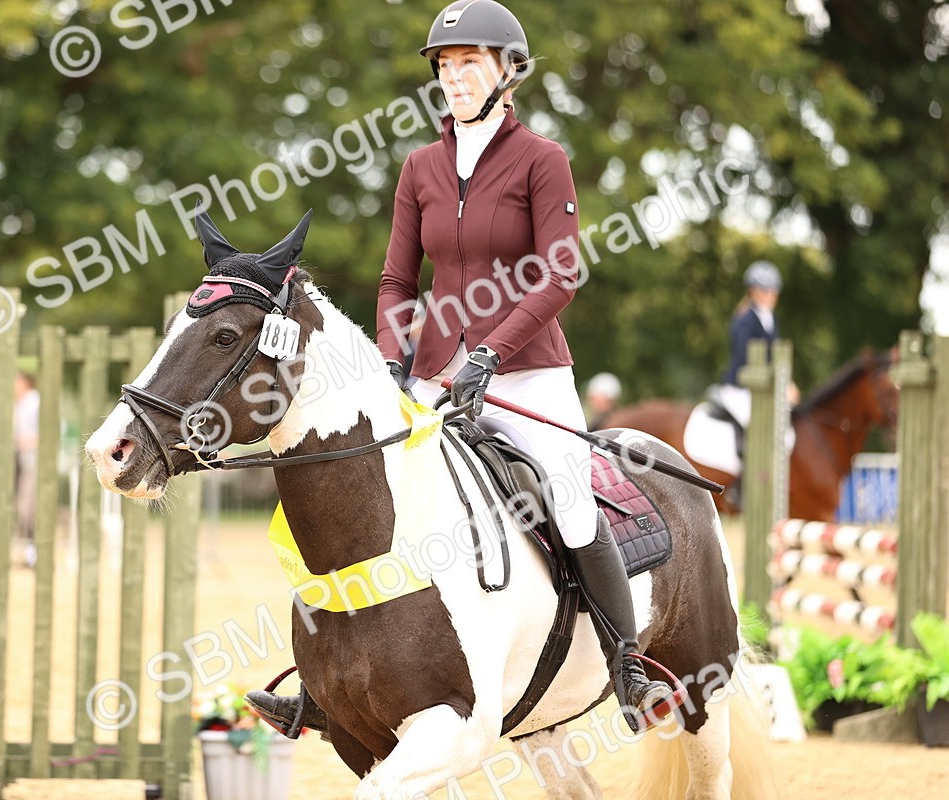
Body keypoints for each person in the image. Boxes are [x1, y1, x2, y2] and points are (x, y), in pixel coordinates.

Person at [249, 0, 671, 736]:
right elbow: (395, 281)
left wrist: (491, 352)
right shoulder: (421, 167)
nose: (454, 76)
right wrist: (392, 358)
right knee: (356, 503)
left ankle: (625, 661)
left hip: (528, 372)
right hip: (436, 377)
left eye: (470, 62)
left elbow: (559, 275)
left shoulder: (542, 160)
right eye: (445, 65)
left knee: (567, 497)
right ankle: (322, 688)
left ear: (509, 71)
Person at [713, 260, 784, 432]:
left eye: (773, 291)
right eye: (765, 291)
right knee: (758, 428)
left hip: (761, 389)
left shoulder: (770, 319)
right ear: (753, 291)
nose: (771, 296)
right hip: (740, 389)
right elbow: (744, 360)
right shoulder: (744, 322)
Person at [14, 371, 40, 553]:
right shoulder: (21, 404)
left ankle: (32, 550)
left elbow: (54, 429)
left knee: (30, 507)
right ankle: (29, 550)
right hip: (25, 461)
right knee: (24, 507)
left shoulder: (33, 402)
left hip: (35, 461)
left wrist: (28, 441)